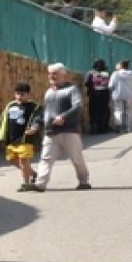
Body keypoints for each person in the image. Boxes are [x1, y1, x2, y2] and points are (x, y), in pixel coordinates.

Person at [26, 64, 91, 192]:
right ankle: (40, 184)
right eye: (50, 73)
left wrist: (64, 117)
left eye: (55, 73)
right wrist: (36, 125)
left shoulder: (72, 90)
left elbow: (77, 106)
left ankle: (83, 181)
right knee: (46, 159)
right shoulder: (49, 92)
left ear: (63, 75)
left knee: (77, 158)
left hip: (69, 131)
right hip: (51, 131)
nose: (52, 76)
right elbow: (45, 112)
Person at [0, 82, 40, 192]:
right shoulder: (10, 105)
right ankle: (33, 174)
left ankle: (26, 183)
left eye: (22, 94)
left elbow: (38, 119)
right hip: (11, 139)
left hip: (25, 139)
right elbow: (1, 119)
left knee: (23, 161)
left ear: (28, 94)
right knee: (13, 160)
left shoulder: (34, 107)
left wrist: (34, 128)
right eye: (17, 94)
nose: (19, 97)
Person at [83, 59, 112, 134]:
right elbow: (110, 83)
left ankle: (93, 128)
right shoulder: (107, 73)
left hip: (94, 94)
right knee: (103, 110)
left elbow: (86, 83)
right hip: (104, 94)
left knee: (93, 110)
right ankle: (102, 128)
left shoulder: (90, 73)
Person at [108, 60, 132, 132]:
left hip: (118, 94)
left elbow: (111, 85)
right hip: (128, 94)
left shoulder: (115, 73)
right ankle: (128, 127)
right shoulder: (131, 73)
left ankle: (119, 127)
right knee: (128, 111)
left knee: (118, 110)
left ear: (121, 65)